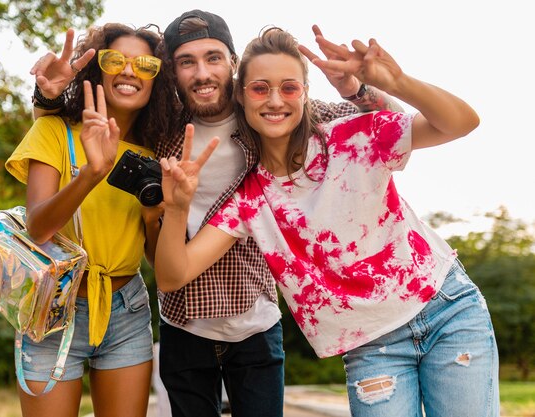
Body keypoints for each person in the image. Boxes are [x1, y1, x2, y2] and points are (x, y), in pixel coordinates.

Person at [29, 10, 402, 417]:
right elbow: (89, 127)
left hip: (256, 321)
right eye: (186, 62)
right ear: (171, 73)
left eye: (213, 58)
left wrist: (358, 87)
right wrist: (47, 98)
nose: (202, 72)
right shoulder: (160, 131)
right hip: (183, 323)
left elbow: (381, 121)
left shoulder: (267, 115)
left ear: (233, 63)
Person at [155, 27, 500, 417]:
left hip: (446, 309)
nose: (274, 101)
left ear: (304, 92)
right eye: (259, 88)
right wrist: (178, 208)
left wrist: (397, 82)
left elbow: (461, 122)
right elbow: (172, 275)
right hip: (371, 344)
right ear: (240, 94)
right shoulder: (250, 200)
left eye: (288, 88)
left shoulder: (353, 137)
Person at [5, 23, 176, 417]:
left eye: (145, 65)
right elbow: (38, 228)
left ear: (157, 80)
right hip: (54, 306)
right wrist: (91, 174)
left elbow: (154, 255)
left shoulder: (156, 152)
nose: (130, 71)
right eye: (116, 60)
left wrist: (154, 216)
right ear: (97, 68)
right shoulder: (53, 130)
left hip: (126, 310)